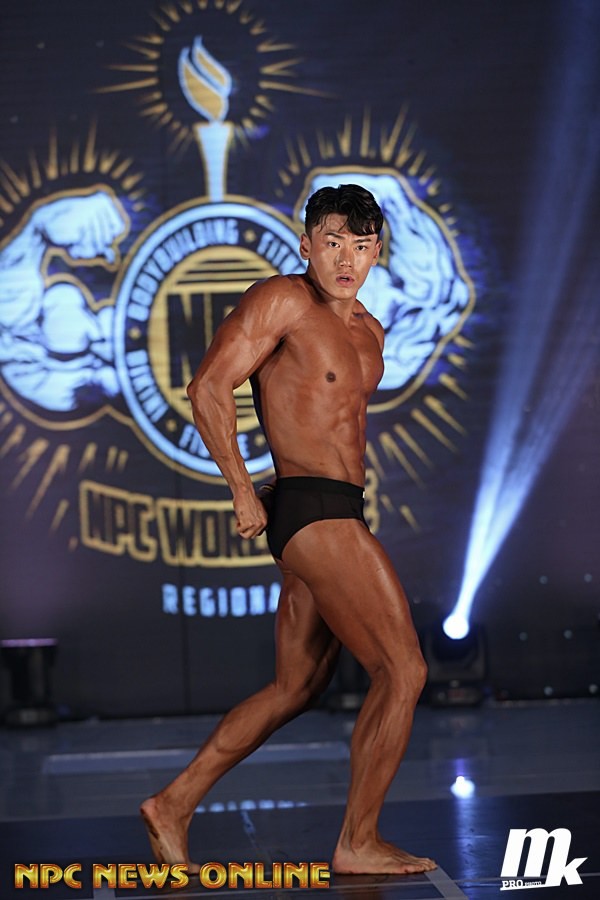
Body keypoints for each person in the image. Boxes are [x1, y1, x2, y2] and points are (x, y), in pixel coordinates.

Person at [141, 184, 435, 876]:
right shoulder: (283, 299)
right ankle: (358, 841)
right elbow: (209, 387)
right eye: (332, 243)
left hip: (335, 508)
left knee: (295, 688)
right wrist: (242, 490)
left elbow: (333, 424)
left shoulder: (371, 331)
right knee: (404, 670)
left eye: (361, 246)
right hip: (311, 512)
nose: (346, 259)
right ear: (306, 245)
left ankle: (172, 804)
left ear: (377, 252)